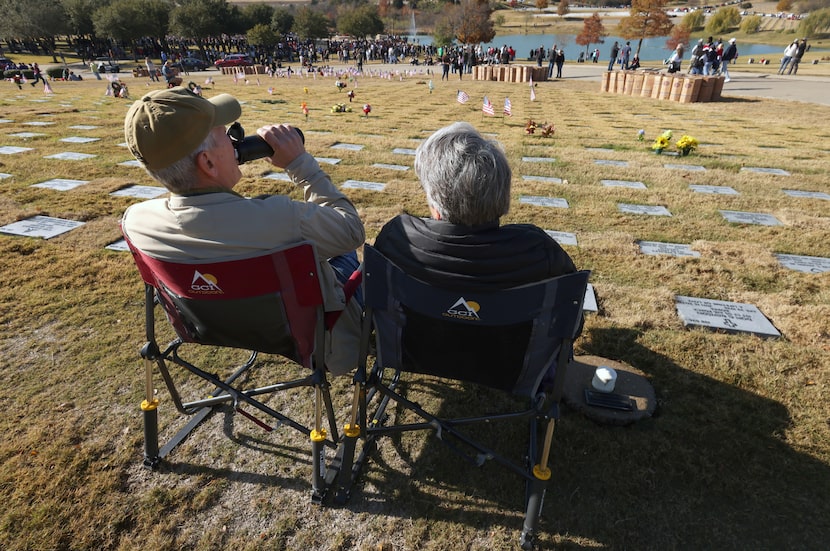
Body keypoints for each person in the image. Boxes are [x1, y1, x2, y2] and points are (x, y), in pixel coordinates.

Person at [120, 87, 365, 375]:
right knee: (345, 248)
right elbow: (350, 229)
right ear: (208, 163)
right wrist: (301, 165)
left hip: (212, 330)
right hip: (320, 343)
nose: (237, 141)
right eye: (228, 134)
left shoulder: (136, 221)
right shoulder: (281, 219)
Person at [373, 121, 577, 295]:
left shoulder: (397, 238)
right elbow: (568, 317)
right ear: (503, 195)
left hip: (413, 342)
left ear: (435, 205)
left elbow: (375, 303)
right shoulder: (541, 251)